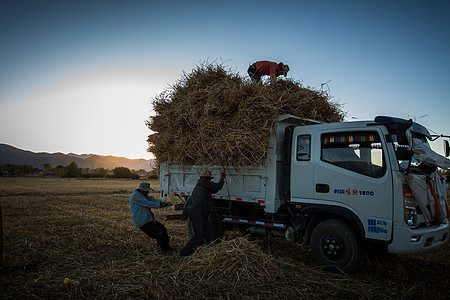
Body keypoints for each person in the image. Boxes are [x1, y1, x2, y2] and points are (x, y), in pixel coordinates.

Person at [180, 170, 225, 257]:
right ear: (208, 178)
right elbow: (217, 187)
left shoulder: (201, 183)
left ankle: (214, 247)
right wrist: (222, 179)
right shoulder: (204, 182)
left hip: (199, 212)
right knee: (199, 235)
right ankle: (184, 253)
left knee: (209, 231)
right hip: (197, 212)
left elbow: (213, 190)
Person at [130, 182, 173, 253]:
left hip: (149, 220)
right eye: (147, 190)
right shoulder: (136, 196)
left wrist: (162, 203)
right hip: (142, 221)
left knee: (163, 229)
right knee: (158, 232)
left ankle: (167, 248)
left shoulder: (142, 195)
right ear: (142, 190)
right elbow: (148, 203)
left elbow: (152, 199)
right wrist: (160, 204)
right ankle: (165, 250)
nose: (148, 192)